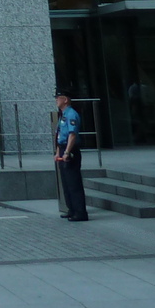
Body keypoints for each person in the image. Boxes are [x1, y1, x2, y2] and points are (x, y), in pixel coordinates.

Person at [54, 92, 89, 221]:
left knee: (73, 183)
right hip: (63, 148)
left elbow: (72, 135)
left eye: (58, 98)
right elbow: (59, 135)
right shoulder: (62, 115)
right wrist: (58, 152)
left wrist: (67, 152)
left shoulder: (71, 114)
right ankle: (71, 209)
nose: (56, 100)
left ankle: (80, 212)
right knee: (66, 182)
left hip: (70, 149)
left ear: (66, 100)